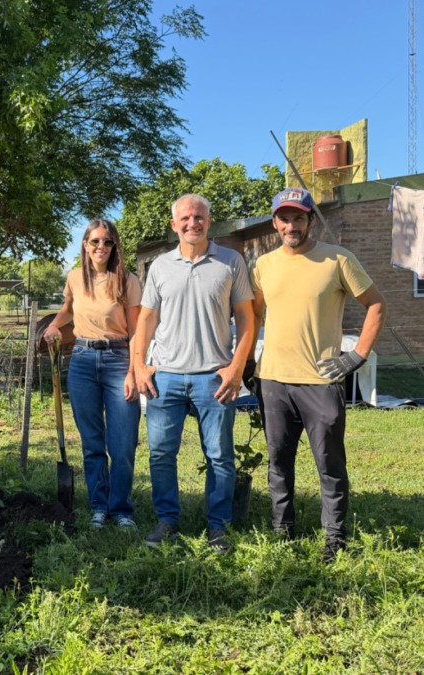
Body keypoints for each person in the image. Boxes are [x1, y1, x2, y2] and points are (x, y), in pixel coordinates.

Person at [250, 188, 386, 563]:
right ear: (275, 222)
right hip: (274, 380)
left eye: (298, 217)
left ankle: (335, 539)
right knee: (278, 461)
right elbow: (255, 316)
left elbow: (376, 304)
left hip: (321, 382)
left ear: (311, 219)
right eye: (284, 218)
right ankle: (282, 531)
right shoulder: (263, 265)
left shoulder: (338, 259)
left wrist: (356, 356)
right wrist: (248, 363)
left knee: (329, 464)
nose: (290, 225)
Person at [131, 194, 255, 552]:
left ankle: (218, 527)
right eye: (184, 218)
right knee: (160, 453)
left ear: (209, 220)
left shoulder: (231, 262)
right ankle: (166, 521)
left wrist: (236, 368)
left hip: (214, 378)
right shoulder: (160, 266)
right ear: (174, 225)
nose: (192, 223)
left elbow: (247, 320)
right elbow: (147, 319)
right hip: (165, 376)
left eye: (198, 216)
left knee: (219, 455)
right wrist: (139, 363)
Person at [43, 219, 142, 530]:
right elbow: (69, 308)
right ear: (85, 245)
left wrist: (134, 370)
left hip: (118, 358)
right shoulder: (75, 278)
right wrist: (55, 324)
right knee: (92, 443)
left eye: (108, 242)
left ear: (115, 248)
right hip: (83, 361)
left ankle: (122, 510)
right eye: (95, 241)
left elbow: (137, 330)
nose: (101, 247)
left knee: (123, 444)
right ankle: (99, 507)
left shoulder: (127, 280)